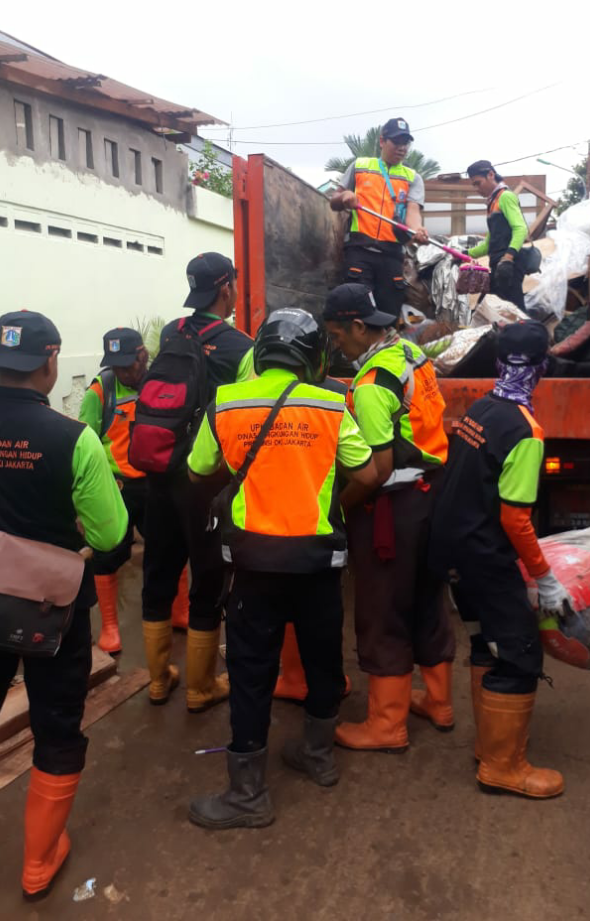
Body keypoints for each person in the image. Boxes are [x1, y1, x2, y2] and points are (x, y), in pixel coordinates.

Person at [186, 308, 376, 829]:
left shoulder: (226, 401)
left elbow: (199, 469)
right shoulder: (333, 403)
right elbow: (368, 471)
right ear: (314, 357)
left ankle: (247, 795)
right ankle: (317, 755)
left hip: (254, 563)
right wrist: (333, 503)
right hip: (317, 561)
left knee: (250, 672)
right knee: (321, 658)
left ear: (262, 350)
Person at [0, 311, 127, 899]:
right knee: (56, 725)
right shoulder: (73, 439)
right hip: (49, 615)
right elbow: (111, 537)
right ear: (52, 360)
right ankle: (38, 862)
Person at [429, 320, 568, 799]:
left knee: (486, 641)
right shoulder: (526, 431)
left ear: (495, 365)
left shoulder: (483, 409)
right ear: (542, 369)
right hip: (485, 555)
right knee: (520, 653)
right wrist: (545, 577)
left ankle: (488, 747)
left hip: (455, 550)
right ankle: (503, 768)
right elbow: (516, 521)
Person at [323, 283, 455, 753]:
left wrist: (338, 507)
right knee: (425, 600)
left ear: (359, 327)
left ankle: (386, 725)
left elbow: (375, 471)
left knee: (382, 610)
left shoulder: (373, 385)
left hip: (391, 510)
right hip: (428, 494)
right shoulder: (407, 353)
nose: (337, 345)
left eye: (339, 336)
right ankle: (439, 702)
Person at [141, 252, 253, 712]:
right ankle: (201, 687)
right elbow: (245, 415)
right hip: (203, 481)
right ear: (226, 288)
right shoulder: (241, 347)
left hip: (159, 470)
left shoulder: (172, 332)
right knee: (207, 578)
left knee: (158, 572)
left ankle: (157, 679)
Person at [79, 327, 189, 654]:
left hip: (156, 481)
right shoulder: (100, 392)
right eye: (117, 365)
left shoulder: (160, 382)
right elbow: (87, 441)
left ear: (143, 354)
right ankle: (110, 627)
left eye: (129, 363)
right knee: (107, 553)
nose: (124, 371)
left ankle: (179, 610)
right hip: (117, 486)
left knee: (170, 547)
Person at [330, 117, 429, 319]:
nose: (402, 148)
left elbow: (412, 212)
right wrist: (345, 196)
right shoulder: (360, 166)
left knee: (388, 315)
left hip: (391, 255)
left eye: (405, 143)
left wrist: (417, 229)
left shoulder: (413, 177)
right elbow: (334, 201)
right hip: (359, 252)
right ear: (382, 141)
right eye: (396, 142)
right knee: (357, 312)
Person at [466, 160, 528, 311]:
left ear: (491, 175)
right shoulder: (493, 202)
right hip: (498, 266)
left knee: (515, 311)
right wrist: (465, 254)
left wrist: (508, 258)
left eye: (478, 183)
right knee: (497, 311)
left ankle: (533, 333)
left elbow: (521, 229)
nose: (476, 189)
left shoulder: (505, 196)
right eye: (473, 185)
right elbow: (489, 243)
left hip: (508, 266)